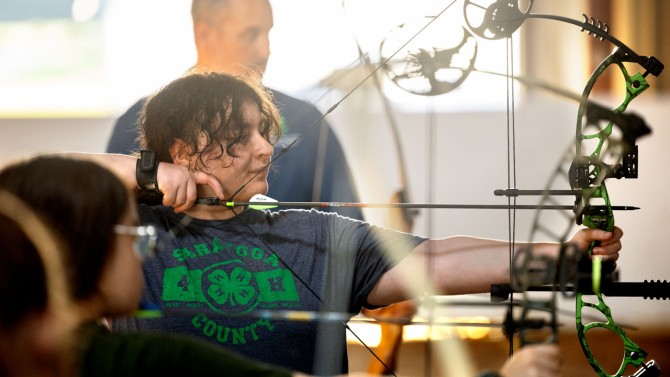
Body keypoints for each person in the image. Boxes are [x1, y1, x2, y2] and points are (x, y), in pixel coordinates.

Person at [60, 72, 620, 376]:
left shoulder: (310, 233)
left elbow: (431, 261)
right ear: (186, 149)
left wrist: (562, 259)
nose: (266, 148)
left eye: (264, 131)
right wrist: (147, 172)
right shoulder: (128, 232)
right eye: (243, 134)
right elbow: (32, 185)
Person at [0, 155, 374, 377]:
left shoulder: (97, 353)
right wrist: (150, 170)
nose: (144, 251)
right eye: (134, 233)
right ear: (86, 243)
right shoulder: (140, 359)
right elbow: (23, 187)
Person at [106, 0, 364, 221]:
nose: (265, 50)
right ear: (205, 36)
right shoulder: (143, 119)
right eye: (250, 34)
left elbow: (347, 233)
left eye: (267, 33)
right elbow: (109, 221)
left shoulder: (309, 119)